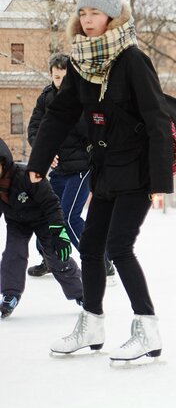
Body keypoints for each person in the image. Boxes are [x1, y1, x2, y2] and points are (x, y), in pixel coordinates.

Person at [27, 0, 173, 362]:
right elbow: (59, 115)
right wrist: (38, 162)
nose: (88, 19)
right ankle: (91, 322)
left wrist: (159, 179)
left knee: (119, 246)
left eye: (95, 12)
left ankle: (147, 329)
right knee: (91, 247)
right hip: (105, 168)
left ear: (112, 16)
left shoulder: (132, 61)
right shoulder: (81, 63)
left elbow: (158, 119)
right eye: (83, 13)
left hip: (138, 168)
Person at [26, 53, 117, 284]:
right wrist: (45, 153)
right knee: (47, 214)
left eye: (65, 77)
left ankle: (100, 258)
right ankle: (50, 258)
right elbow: (35, 128)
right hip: (59, 170)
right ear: (51, 76)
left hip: (81, 168)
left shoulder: (83, 97)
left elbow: (93, 131)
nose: (61, 82)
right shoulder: (46, 97)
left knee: (68, 217)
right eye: (57, 77)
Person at [0, 138, 83, 318]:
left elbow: (51, 203)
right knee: (13, 253)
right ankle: (10, 295)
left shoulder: (26, 176)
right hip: (16, 222)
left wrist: (59, 233)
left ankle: (82, 293)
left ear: (4, 162)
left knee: (55, 256)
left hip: (43, 220)